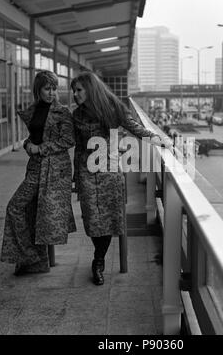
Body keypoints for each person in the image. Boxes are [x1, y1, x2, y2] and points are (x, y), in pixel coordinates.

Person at [71, 71, 172, 286]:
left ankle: (98, 262)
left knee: (109, 219)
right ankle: (99, 256)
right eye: (74, 91)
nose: (75, 95)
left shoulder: (112, 107)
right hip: (86, 171)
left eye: (79, 90)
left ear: (90, 89)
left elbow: (133, 127)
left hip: (110, 171)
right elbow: (79, 147)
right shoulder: (77, 115)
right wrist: (75, 176)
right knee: (91, 219)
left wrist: (156, 138)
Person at [0, 70, 76, 275]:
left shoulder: (62, 112)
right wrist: (27, 144)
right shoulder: (33, 110)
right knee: (23, 210)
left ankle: (32, 259)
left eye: (54, 88)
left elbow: (68, 140)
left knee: (18, 208)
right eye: (47, 88)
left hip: (53, 169)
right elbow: (34, 136)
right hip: (35, 167)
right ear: (38, 89)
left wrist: (39, 149)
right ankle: (34, 260)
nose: (52, 93)